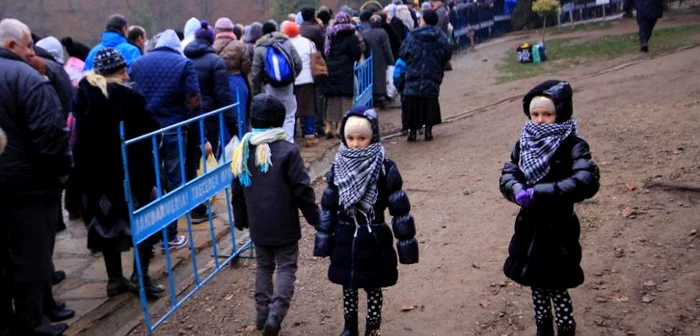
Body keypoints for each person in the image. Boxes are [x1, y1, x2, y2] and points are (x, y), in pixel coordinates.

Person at [499, 80, 600, 336]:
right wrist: (515, 189)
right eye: (535, 114)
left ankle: (566, 328)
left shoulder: (573, 144)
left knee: (557, 285)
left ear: (561, 113)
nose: (540, 119)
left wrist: (541, 192)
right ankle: (543, 328)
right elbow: (509, 172)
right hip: (530, 225)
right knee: (536, 284)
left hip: (558, 227)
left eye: (547, 114)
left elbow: (585, 180)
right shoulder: (524, 142)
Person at [314, 106, 419, 336]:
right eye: (350, 137)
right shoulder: (338, 165)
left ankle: (373, 328)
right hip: (345, 235)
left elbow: (399, 207)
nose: (355, 143)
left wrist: (407, 247)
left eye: (362, 138)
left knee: (373, 286)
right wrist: (323, 240)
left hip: (374, 237)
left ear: (372, 137)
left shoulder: (384, 167)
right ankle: (349, 327)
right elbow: (329, 205)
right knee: (348, 286)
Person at [72, 47, 166, 299]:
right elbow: (152, 129)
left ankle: (114, 279)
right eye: (124, 71)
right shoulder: (129, 99)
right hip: (130, 174)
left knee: (105, 223)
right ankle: (141, 277)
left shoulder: (82, 96)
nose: (127, 75)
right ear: (119, 72)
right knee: (145, 220)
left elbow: (77, 139)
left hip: (96, 177)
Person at [0, 18, 72, 336]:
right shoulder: (28, 79)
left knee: (9, 256)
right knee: (32, 255)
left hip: (7, 182)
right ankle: (35, 322)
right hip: (30, 184)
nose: (33, 50)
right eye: (28, 44)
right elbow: (50, 134)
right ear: (11, 45)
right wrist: (62, 170)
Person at [231, 94, 319, 336]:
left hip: (258, 225)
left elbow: (237, 189)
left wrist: (240, 219)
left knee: (263, 267)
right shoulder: (288, 151)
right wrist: (315, 218)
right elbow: (302, 189)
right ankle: (276, 314)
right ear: (280, 121)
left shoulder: (243, 151)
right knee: (286, 268)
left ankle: (261, 317)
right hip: (285, 225)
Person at [130, 29, 199, 251]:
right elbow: (194, 98)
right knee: (174, 181)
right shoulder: (183, 63)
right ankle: (170, 236)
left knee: (148, 181)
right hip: (173, 127)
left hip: (144, 131)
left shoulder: (139, 63)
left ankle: (148, 238)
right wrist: (188, 119)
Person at [185, 20, 237, 156]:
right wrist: (233, 126)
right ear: (211, 39)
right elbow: (223, 94)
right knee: (210, 157)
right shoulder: (215, 61)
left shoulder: (184, 59)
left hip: (189, 116)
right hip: (210, 116)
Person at [399, 10, 451, 141]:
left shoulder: (412, 35)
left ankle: (412, 132)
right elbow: (448, 53)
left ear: (424, 20)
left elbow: (403, 53)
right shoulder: (441, 37)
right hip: (433, 73)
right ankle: (428, 130)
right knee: (430, 100)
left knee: (412, 102)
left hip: (413, 74)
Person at [250, 22, 302, 143]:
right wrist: (292, 77)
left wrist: (256, 93)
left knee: (272, 115)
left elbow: (256, 73)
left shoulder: (260, 48)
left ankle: (275, 144)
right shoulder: (287, 43)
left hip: (270, 86)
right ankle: (289, 142)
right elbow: (298, 63)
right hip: (288, 85)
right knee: (289, 115)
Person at [323, 12, 363, 139]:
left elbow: (326, 51)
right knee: (345, 98)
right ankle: (341, 126)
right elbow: (356, 54)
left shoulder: (330, 34)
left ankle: (328, 126)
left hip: (331, 68)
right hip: (345, 69)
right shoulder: (351, 35)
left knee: (331, 98)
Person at [214, 17, 252, 135]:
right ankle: (241, 143)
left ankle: (225, 146)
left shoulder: (212, 46)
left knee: (222, 116)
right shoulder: (240, 46)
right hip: (237, 82)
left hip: (218, 83)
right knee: (240, 115)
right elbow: (246, 68)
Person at [284, 22, 318, 147]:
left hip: (291, 80)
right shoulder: (308, 42)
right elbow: (314, 57)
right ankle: (309, 133)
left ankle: (292, 133)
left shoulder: (285, 44)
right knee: (309, 107)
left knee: (292, 109)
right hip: (307, 78)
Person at [363, 15, 394, 109]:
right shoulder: (382, 32)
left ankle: (372, 98)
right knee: (380, 78)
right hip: (381, 59)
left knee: (370, 78)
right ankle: (380, 97)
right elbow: (386, 48)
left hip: (368, 59)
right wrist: (390, 61)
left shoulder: (365, 33)